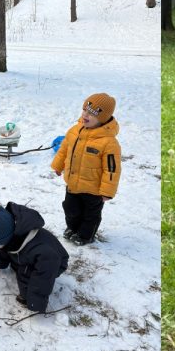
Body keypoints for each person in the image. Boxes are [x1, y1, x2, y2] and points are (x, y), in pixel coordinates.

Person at [51, 93, 121, 246]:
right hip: (73, 183)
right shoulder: (74, 131)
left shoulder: (109, 143)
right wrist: (58, 165)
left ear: (102, 118)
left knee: (91, 215)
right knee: (70, 209)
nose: (85, 115)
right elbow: (63, 150)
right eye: (84, 110)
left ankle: (85, 235)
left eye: (92, 113)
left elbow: (112, 169)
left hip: (94, 190)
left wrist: (107, 191)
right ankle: (73, 228)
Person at [0, 202, 69, 313]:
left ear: (9, 238)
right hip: (33, 256)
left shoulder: (43, 253)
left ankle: (26, 297)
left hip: (54, 264)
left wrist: (35, 302)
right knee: (14, 257)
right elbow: (5, 251)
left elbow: (43, 278)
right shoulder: (15, 235)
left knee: (25, 273)